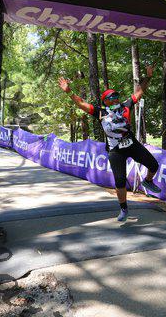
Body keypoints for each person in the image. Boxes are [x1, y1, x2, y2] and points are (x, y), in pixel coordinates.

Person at [58, 66, 160, 222]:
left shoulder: (126, 105)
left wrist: (148, 76)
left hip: (131, 144)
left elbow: (140, 92)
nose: (115, 99)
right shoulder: (100, 112)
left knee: (154, 165)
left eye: (116, 96)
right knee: (120, 181)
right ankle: (124, 209)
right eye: (111, 97)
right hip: (116, 151)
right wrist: (69, 92)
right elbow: (81, 103)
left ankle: (148, 181)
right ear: (105, 101)